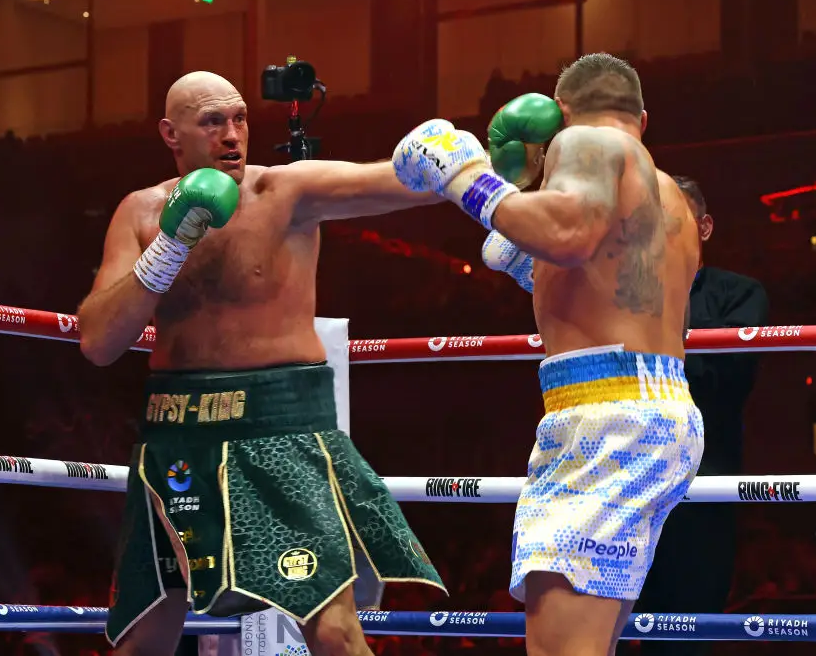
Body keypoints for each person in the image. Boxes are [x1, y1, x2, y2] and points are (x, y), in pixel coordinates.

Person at [76, 71, 447, 656]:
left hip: (280, 429)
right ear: (172, 135)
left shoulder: (286, 192)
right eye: (213, 122)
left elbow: (404, 181)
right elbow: (99, 341)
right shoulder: (142, 213)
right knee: (144, 636)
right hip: (177, 437)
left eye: (240, 118)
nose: (232, 135)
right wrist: (169, 247)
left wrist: (464, 162)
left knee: (331, 629)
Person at [391, 52, 705, 656]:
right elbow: (623, 295)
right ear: (644, 117)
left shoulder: (584, 140)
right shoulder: (668, 196)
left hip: (604, 414)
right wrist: (527, 261)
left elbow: (567, 234)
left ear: (561, 113)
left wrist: (465, 175)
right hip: (658, 412)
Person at [618, 176, 768, 656]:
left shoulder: (740, 295)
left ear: (703, 227)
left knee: (688, 634)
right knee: (616, 631)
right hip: (628, 481)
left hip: (704, 485)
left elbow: (724, 377)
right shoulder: (621, 294)